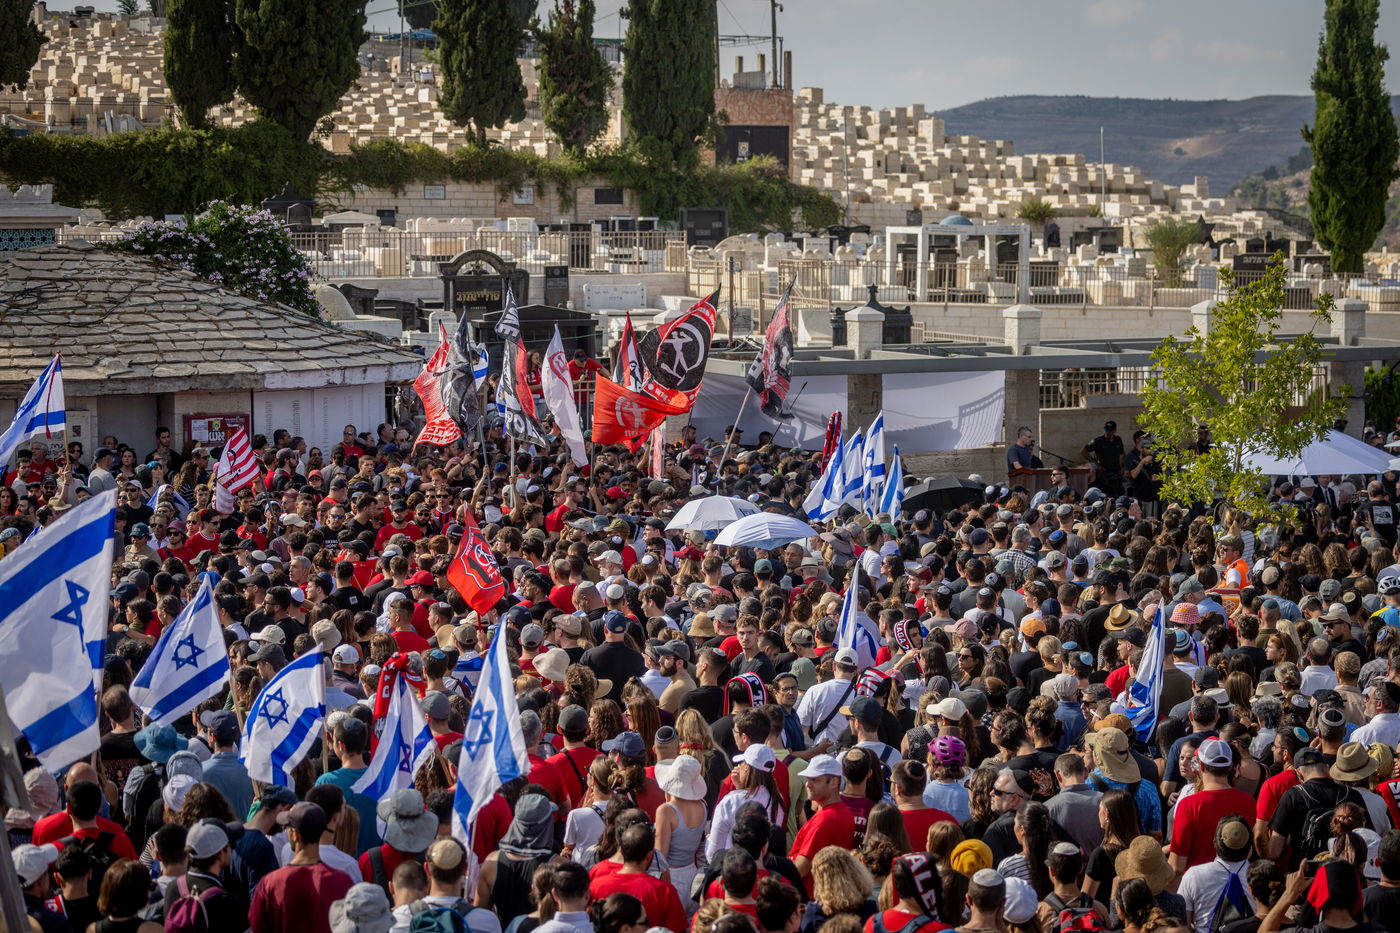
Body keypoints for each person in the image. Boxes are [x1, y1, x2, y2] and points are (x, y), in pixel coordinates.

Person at [249, 802, 355, 933]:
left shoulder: (270, 883)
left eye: (288, 828)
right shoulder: (342, 881)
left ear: (295, 833)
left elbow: (257, 927)